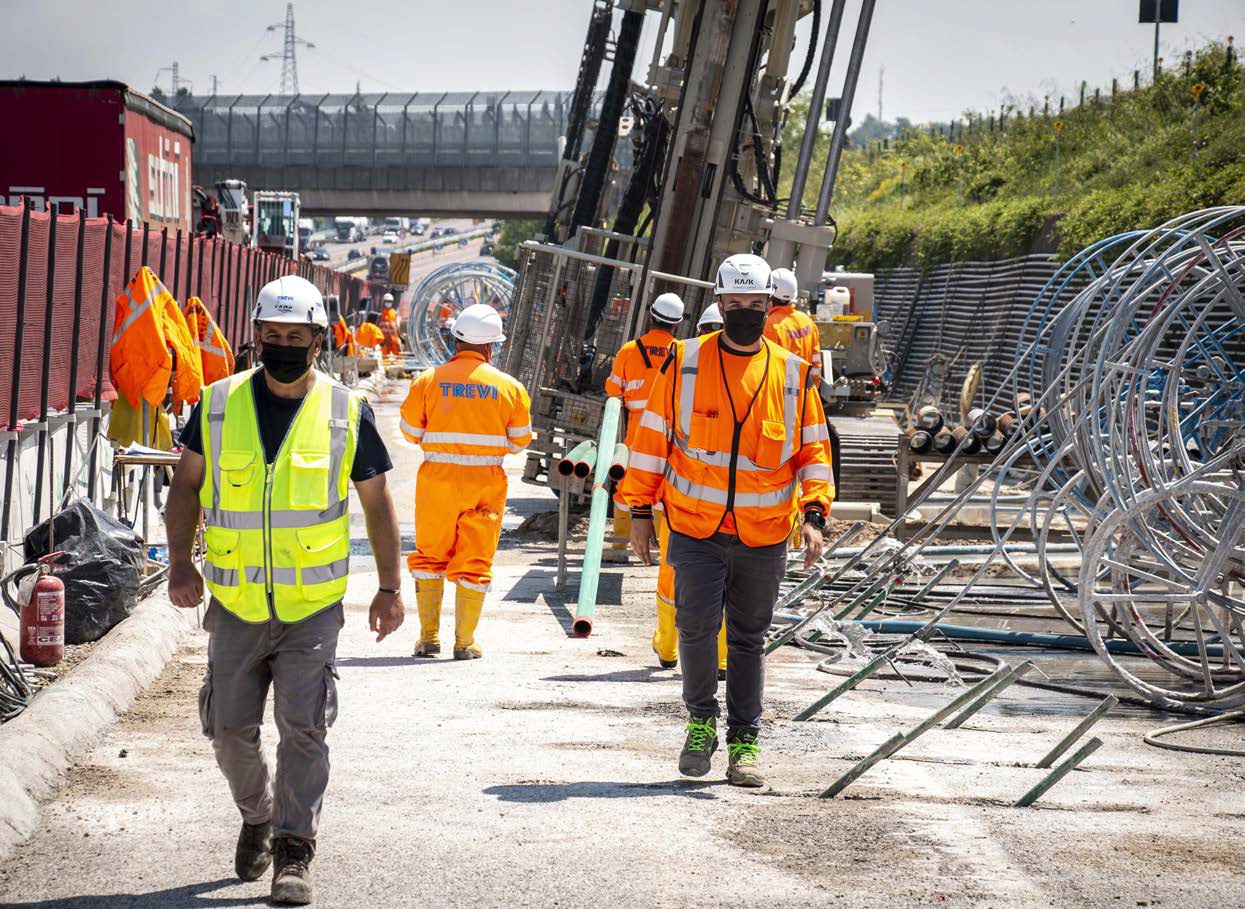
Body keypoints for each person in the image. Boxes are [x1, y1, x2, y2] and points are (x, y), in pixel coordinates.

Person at [166, 275, 405, 905]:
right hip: (237, 604)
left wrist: (389, 586)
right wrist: (180, 566)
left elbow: (377, 501)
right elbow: (185, 487)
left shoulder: (346, 411)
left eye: (294, 336)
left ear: (318, 340)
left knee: (303, 727)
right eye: (270, 335)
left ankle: (295, 851)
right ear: (255, 336)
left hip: (311, 610)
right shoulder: (216, 405)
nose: (281, 346)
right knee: (227, 730)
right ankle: (257, 816)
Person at [617, 253, 834, 788]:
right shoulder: (684, 363)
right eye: (733, 303)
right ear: (718, 303)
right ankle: (699, 724)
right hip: (694, 526)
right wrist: (640, 511)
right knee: (694, 628)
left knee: (748, 638)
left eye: (753, 304)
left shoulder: (790, 372)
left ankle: (744, 742)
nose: (742, 311)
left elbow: (813, 449)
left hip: (762, 534)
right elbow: (650, 442)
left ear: (769, 306)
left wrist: (814, 513)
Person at [399, 303, 532, 659]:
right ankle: (464, 642)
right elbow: (520, 442)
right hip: (485, 487)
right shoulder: (510, 388)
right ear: (491, 347)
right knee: (475, 560)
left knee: (429, 557)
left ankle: (428, 638)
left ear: (455, 339)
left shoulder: (428, 380)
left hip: (436, 484)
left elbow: (411, 431)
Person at [605, 292, 725, 672]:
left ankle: (668, 647)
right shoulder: (761, 372)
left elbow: (614, 393)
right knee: (727, 582)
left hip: (673, 484)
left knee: (673, 573)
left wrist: (641, 508)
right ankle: (721, 659)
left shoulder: (679, 365)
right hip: (732, 504)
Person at [379, 292, 402, 358]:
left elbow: (397, 326)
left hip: (393, 339)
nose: (388, 303)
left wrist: (400, 336)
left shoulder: (394, 313)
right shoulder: (382, 313)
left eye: (390, 301)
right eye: (387, 301)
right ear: (384, 302)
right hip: (384, 340)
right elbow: (379, 327)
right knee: (384, 357)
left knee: (397, 357)